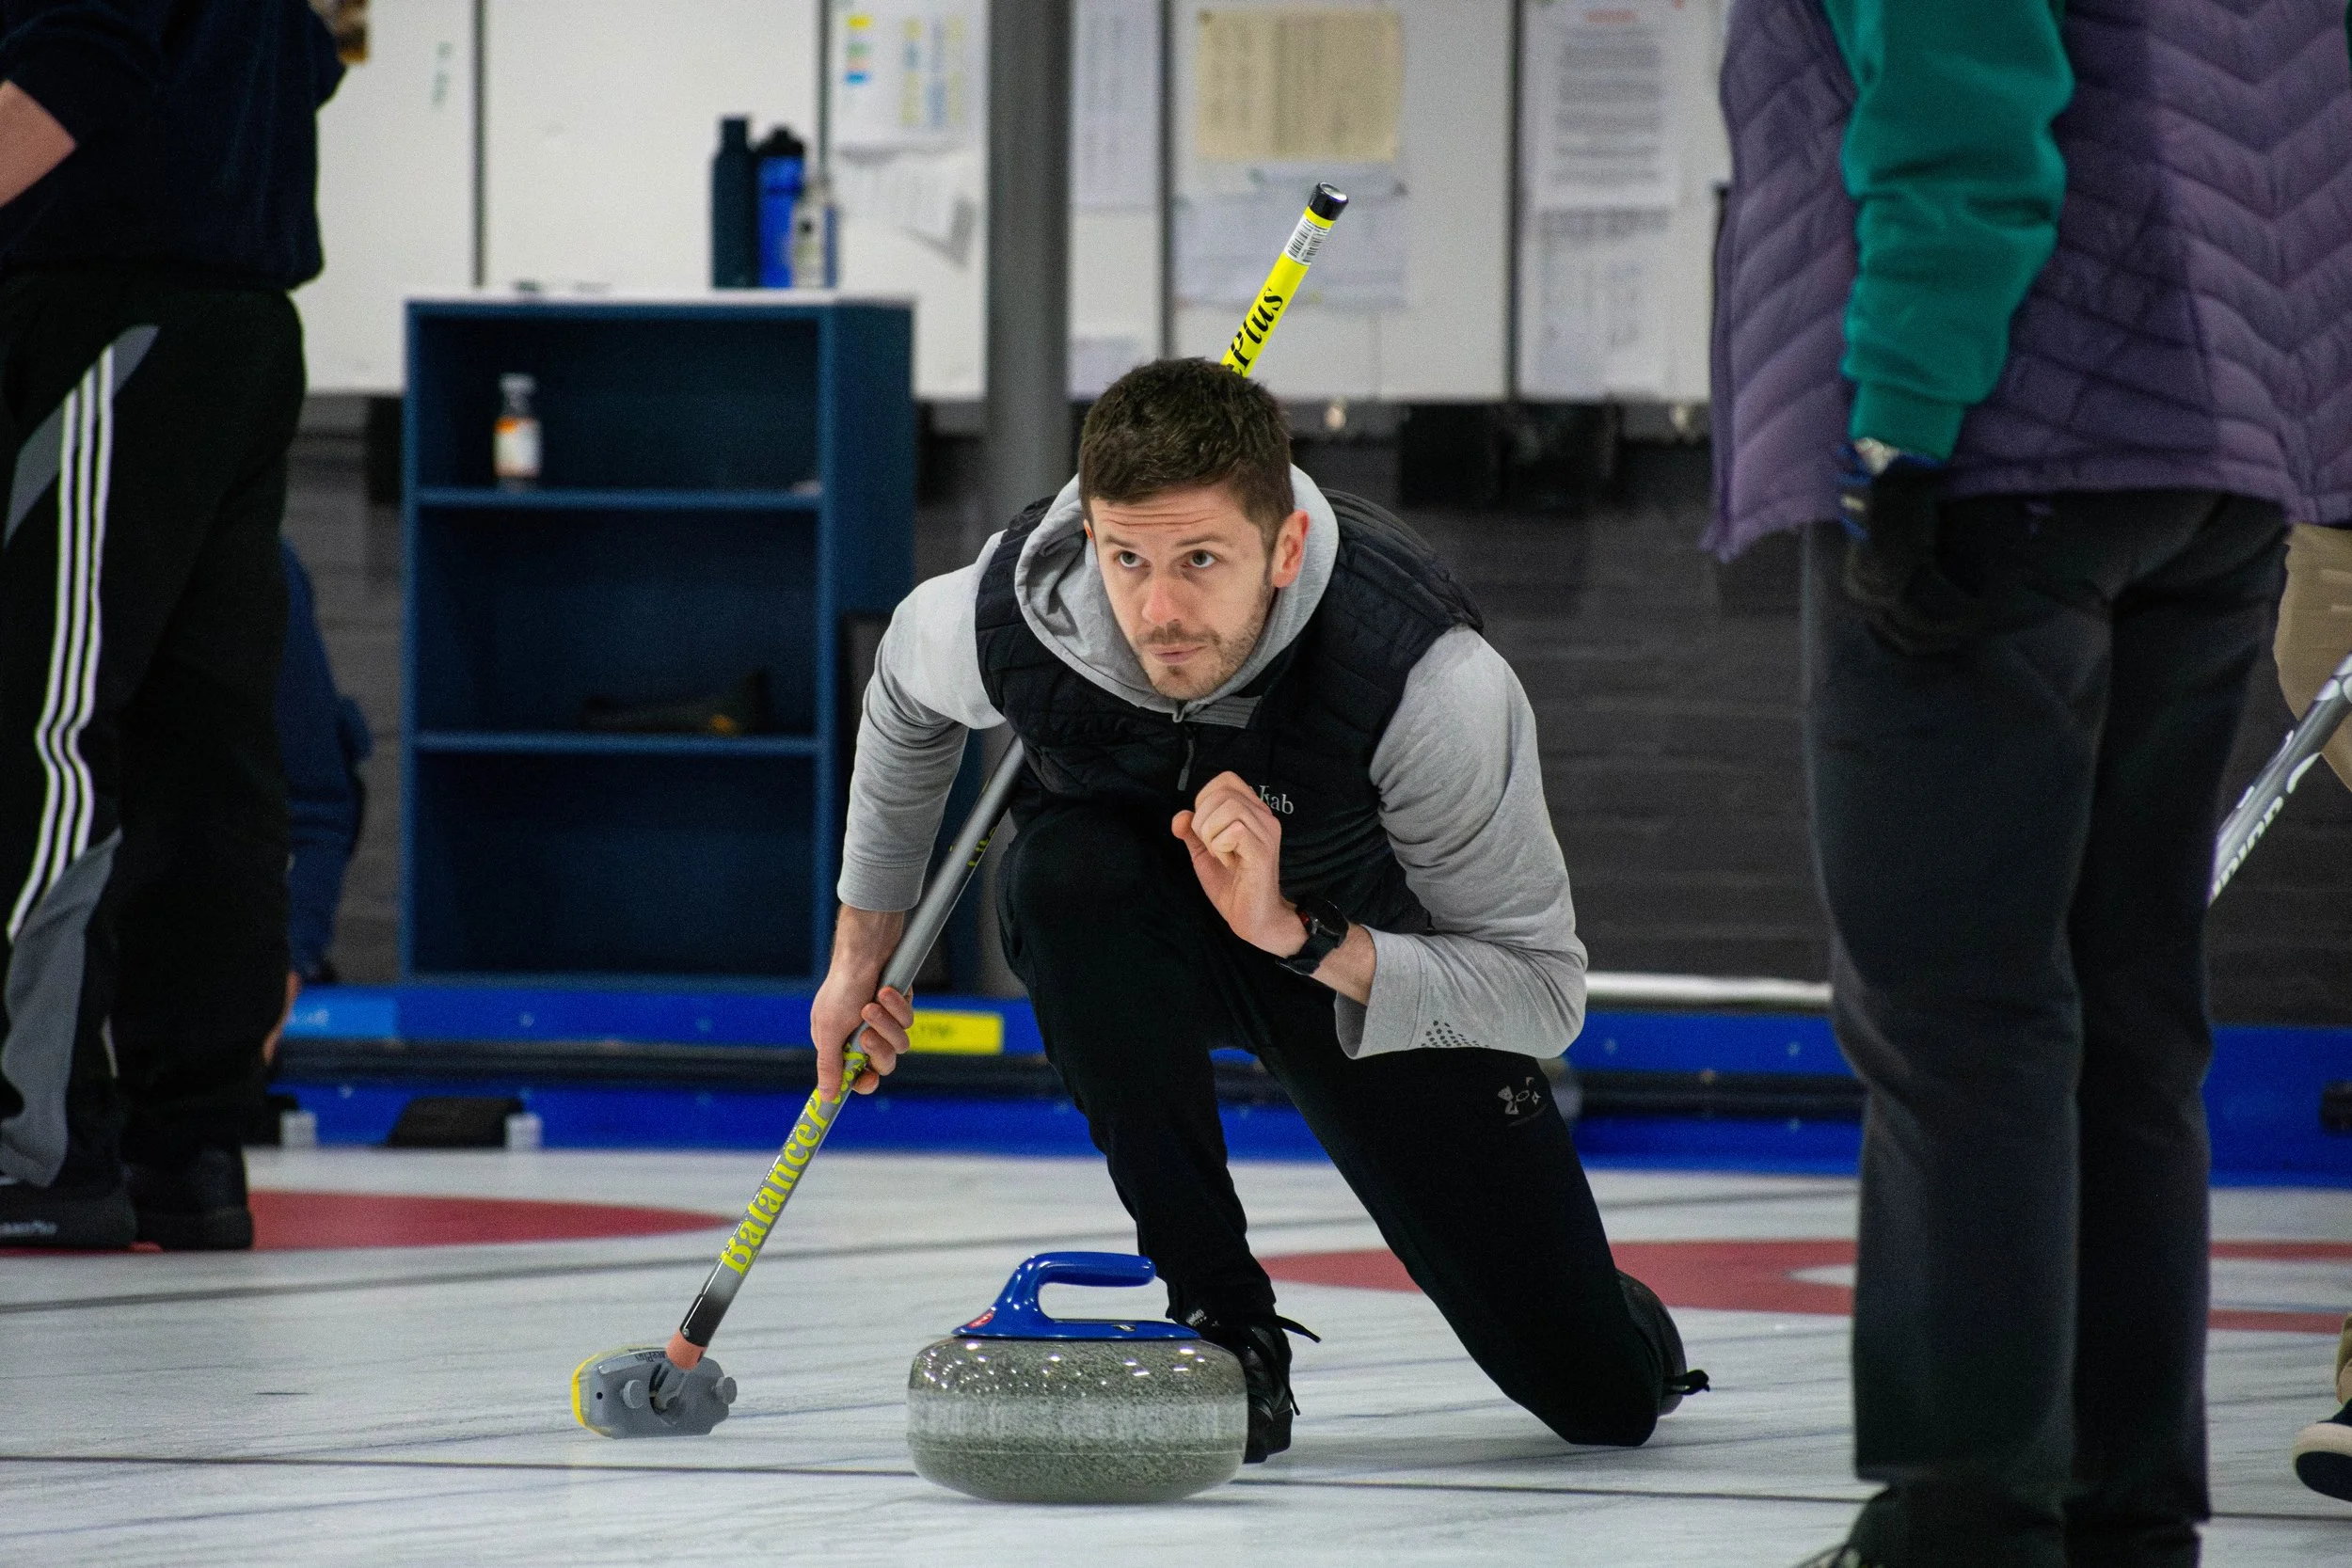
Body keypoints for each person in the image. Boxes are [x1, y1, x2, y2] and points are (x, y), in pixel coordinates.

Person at [1708, 3, 2352, 1565]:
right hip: (2221, 454)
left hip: (2001, 434)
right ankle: (2124, 1508)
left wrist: (1900, 425)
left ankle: (1969, 1510)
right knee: (2129, 1011)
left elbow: (1960, 95)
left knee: (1958, 1011)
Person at [814, 357, 1704, 1462]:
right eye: (1126, 557)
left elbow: (1542, 993)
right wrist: (864, 949)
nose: (1159, 610)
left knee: (1599, 1403)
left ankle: (1611, 1323)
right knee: (1060, 876)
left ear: (1284, 548)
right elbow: (902, 695)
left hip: (1359, 962)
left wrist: (1297, 931)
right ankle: (1223, 1325)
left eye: (1200, 560)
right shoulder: (1023, 613)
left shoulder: (1427, 682)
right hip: (1135, 930)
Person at [0, 0, 343, 1249]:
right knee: (201, 741)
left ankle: (27, 1136)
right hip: (233, 320)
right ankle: (189, 1140)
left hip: (111, 304)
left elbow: (62, 85)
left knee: (41, 714)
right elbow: (301, 64)